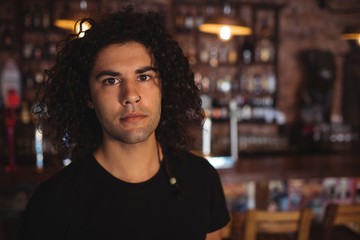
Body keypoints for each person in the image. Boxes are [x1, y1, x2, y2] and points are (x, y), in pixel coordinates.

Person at [18, 5, 230, 240]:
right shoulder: (53, 202)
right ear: (88, 97)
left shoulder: (201, 178)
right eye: (111, 81)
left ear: (163, 87)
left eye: (144, 77)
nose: (130, 95)